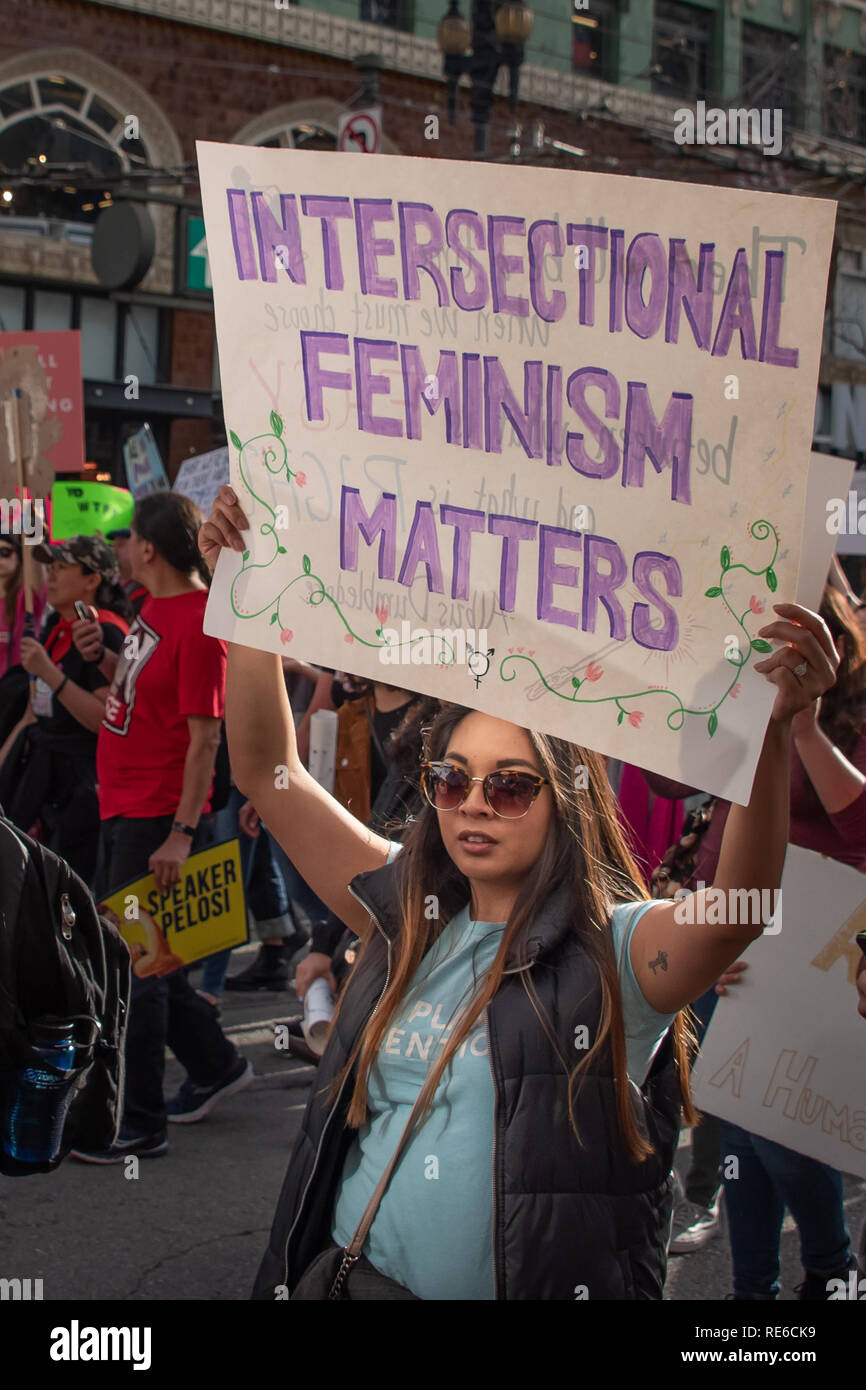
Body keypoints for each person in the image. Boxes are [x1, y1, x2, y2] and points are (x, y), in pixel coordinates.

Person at [200, 483, 837, 1301]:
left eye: (509, 787)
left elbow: (738, 910)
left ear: (563, 800)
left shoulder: (615, 950)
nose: (472, 802)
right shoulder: (403, 908)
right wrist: (244, 600)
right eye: (449, 779)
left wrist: (773, 730)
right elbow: (269, 773)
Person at [69, 493, 252, 1164]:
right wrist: (102, 661)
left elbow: (205, 739)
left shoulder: (202, 621)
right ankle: (217, 1066)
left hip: (154, 819)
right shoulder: (153, 609)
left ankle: (139, 1122)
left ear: (147, 548)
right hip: (127, 807)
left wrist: (181, 831)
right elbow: (142, 694)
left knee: (135, 967)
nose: (117, 550)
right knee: (153, 960)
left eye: (126, 540)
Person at [708, 583, 866, 1299]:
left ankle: (831, 1267)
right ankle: (753, 1298)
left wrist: (801, 726)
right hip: (731, 928)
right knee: (739, 1130)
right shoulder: (740, 672)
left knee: (783, 1128)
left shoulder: (849, 700)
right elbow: (668, 779)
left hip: (814, 947)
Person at [0, 535, 130, 885]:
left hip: (85, 792)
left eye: (61, 568)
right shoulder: (59, 630)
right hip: (53, 787)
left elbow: (107, 721)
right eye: (50, 567)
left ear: (92, 580)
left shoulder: (102, 634)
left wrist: (50, 674)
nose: (51, 576)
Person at [0, 531, 47, 746]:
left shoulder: (25, 599)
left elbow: (39, 581)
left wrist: (32, 538)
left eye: (5, 552)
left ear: (19, 557)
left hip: (15, 698)